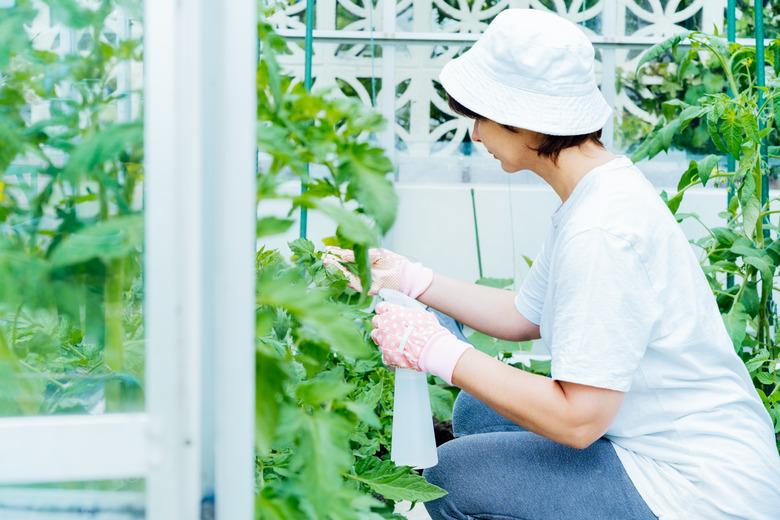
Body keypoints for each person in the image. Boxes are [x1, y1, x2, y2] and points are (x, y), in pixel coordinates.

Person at [323, 8, 780, 520]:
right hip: (662, 442)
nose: (474, 134)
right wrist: (410, 277)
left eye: (481, 116)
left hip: (695, 490)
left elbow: (578, 421)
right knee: (478, 412)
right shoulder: (595, 192)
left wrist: (435, 350)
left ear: (524, 121)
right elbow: (525, 314)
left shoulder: (601, 231)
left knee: (452, 477)